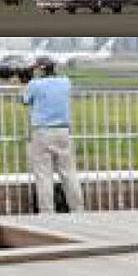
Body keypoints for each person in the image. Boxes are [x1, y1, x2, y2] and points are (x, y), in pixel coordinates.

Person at [16, 58, 83, 214]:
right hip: (63, 131)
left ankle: (47, 213)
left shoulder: (35, 85)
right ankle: (78, 209)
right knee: (69, 174)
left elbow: (24, 100)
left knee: (44, 175)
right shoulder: (65, 82)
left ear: (40, 70)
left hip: (42, 132)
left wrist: (24, 82)